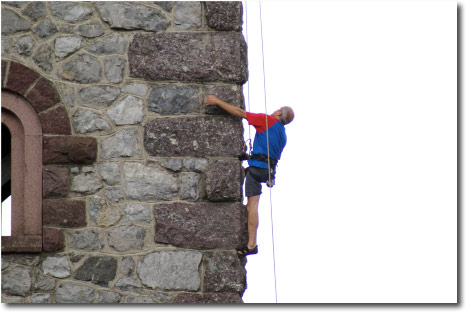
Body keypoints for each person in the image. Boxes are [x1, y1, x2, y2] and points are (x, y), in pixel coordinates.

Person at [204, 95, 294, 257]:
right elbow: (268, 153)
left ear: (279, 113)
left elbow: (240, 113)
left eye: (277, 109)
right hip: (267, 171)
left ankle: (251, 244)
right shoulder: (283, 136)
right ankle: (251, 242)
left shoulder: (267, 120)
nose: (274, 110)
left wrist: (217, 101)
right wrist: (248, 157)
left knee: (252, 207)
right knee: (253, 204)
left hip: (256, 169)